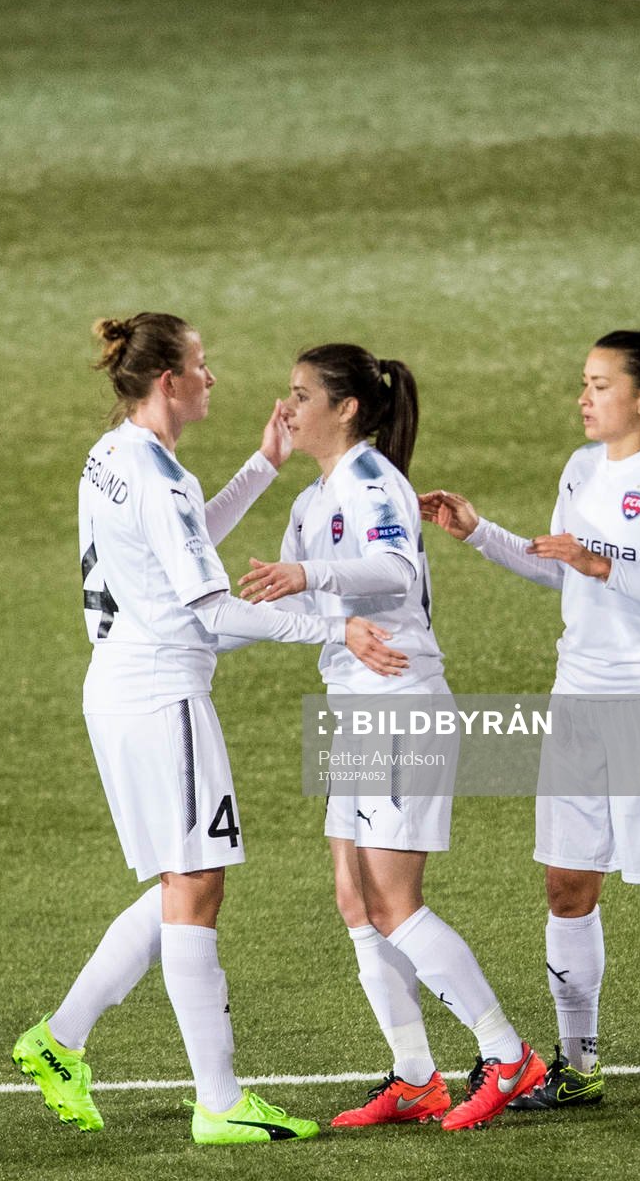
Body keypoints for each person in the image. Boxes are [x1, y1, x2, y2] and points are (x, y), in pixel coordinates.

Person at [12, 313, 407, 1146]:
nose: (212, 377)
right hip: (163, 697)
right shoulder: (155, 478)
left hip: (121, 685)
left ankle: (60, 1040)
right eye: (200, 365)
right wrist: (334, 629)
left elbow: (182, 541)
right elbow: (207, 602)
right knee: (198, 888)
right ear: (169, 383)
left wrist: (262, 467)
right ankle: (219, 1099)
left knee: (179, 883)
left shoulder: (117, 455)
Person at [420, 329, 640, 1113]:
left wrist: (602, 561)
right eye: (584, 382)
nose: (583, 396)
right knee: (568, 887)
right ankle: (578, 1066)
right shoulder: (580, 469)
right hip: (578, 703)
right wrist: (480, 533)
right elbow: (557, 562)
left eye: (600, 384)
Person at [237, 343, 545, 1131]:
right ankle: (415, 1076)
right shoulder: (313, 500)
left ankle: (507, 1054)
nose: (288, 406)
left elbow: (396, 572)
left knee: (394, 902)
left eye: (302, 394)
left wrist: (310, 580)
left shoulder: (374, 482)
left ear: (346, 409)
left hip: (400, 704)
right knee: (354, 899)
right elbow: (305, 610)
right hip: (354, 704)